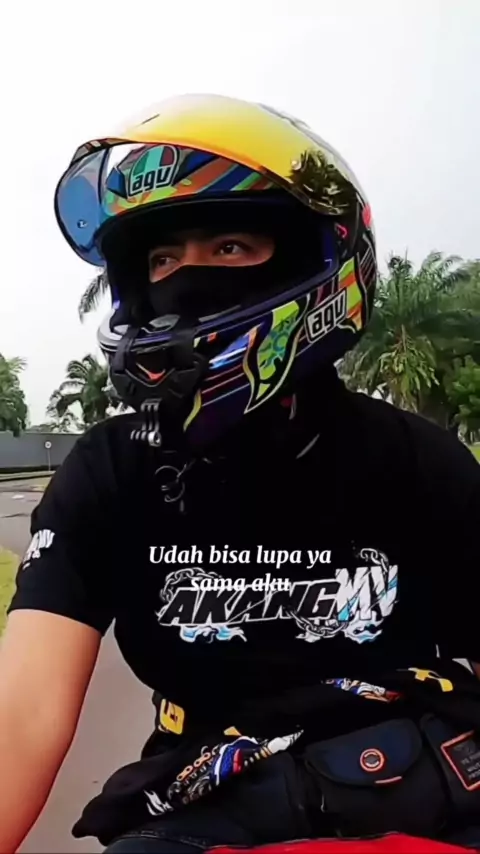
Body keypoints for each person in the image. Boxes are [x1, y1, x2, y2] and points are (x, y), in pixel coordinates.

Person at [2, 93, 480, 854]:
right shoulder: (113, 468)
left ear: (315, 262)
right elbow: (23, 712)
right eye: (162, 260)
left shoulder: (419, 463)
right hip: (199, 801)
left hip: (415, 793)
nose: (185, 281)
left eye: (229, 247)